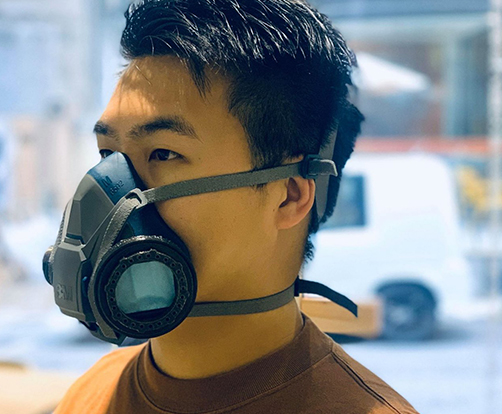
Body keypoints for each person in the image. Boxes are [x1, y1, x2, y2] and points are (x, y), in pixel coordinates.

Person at [52, 0, 418, 413]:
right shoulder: (91, 393)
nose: (110, 189)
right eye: (107, 154)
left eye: (163, 153)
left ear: (289, 195)